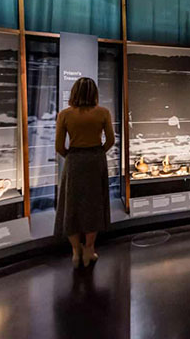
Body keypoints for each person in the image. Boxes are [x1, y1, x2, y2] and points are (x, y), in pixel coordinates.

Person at [55, 77, 115, 268]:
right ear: (94, 94)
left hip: (74, 161)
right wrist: (97, 152)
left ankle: (75, 251)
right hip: (95, 160)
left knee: (71, 205)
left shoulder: (64, 115)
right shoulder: (103, 113)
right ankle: (89, 248)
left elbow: (59, 147)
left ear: (73, 93)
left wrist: (73, 156)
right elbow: (111, 141)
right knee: (93, 205)